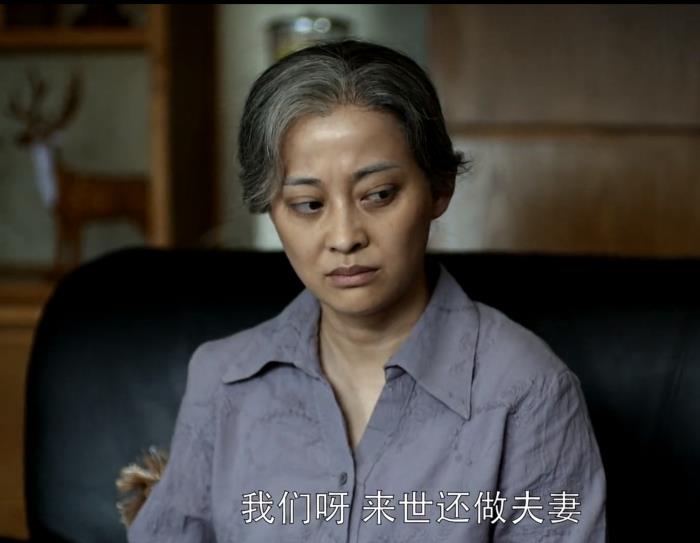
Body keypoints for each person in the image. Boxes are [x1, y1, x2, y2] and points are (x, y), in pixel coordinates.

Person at [128, 39, 607, 542]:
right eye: (308, 204)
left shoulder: (527, 392)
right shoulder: (223, 380)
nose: (344, 237)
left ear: (439, 188)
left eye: (378, 195)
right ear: (271, 209)